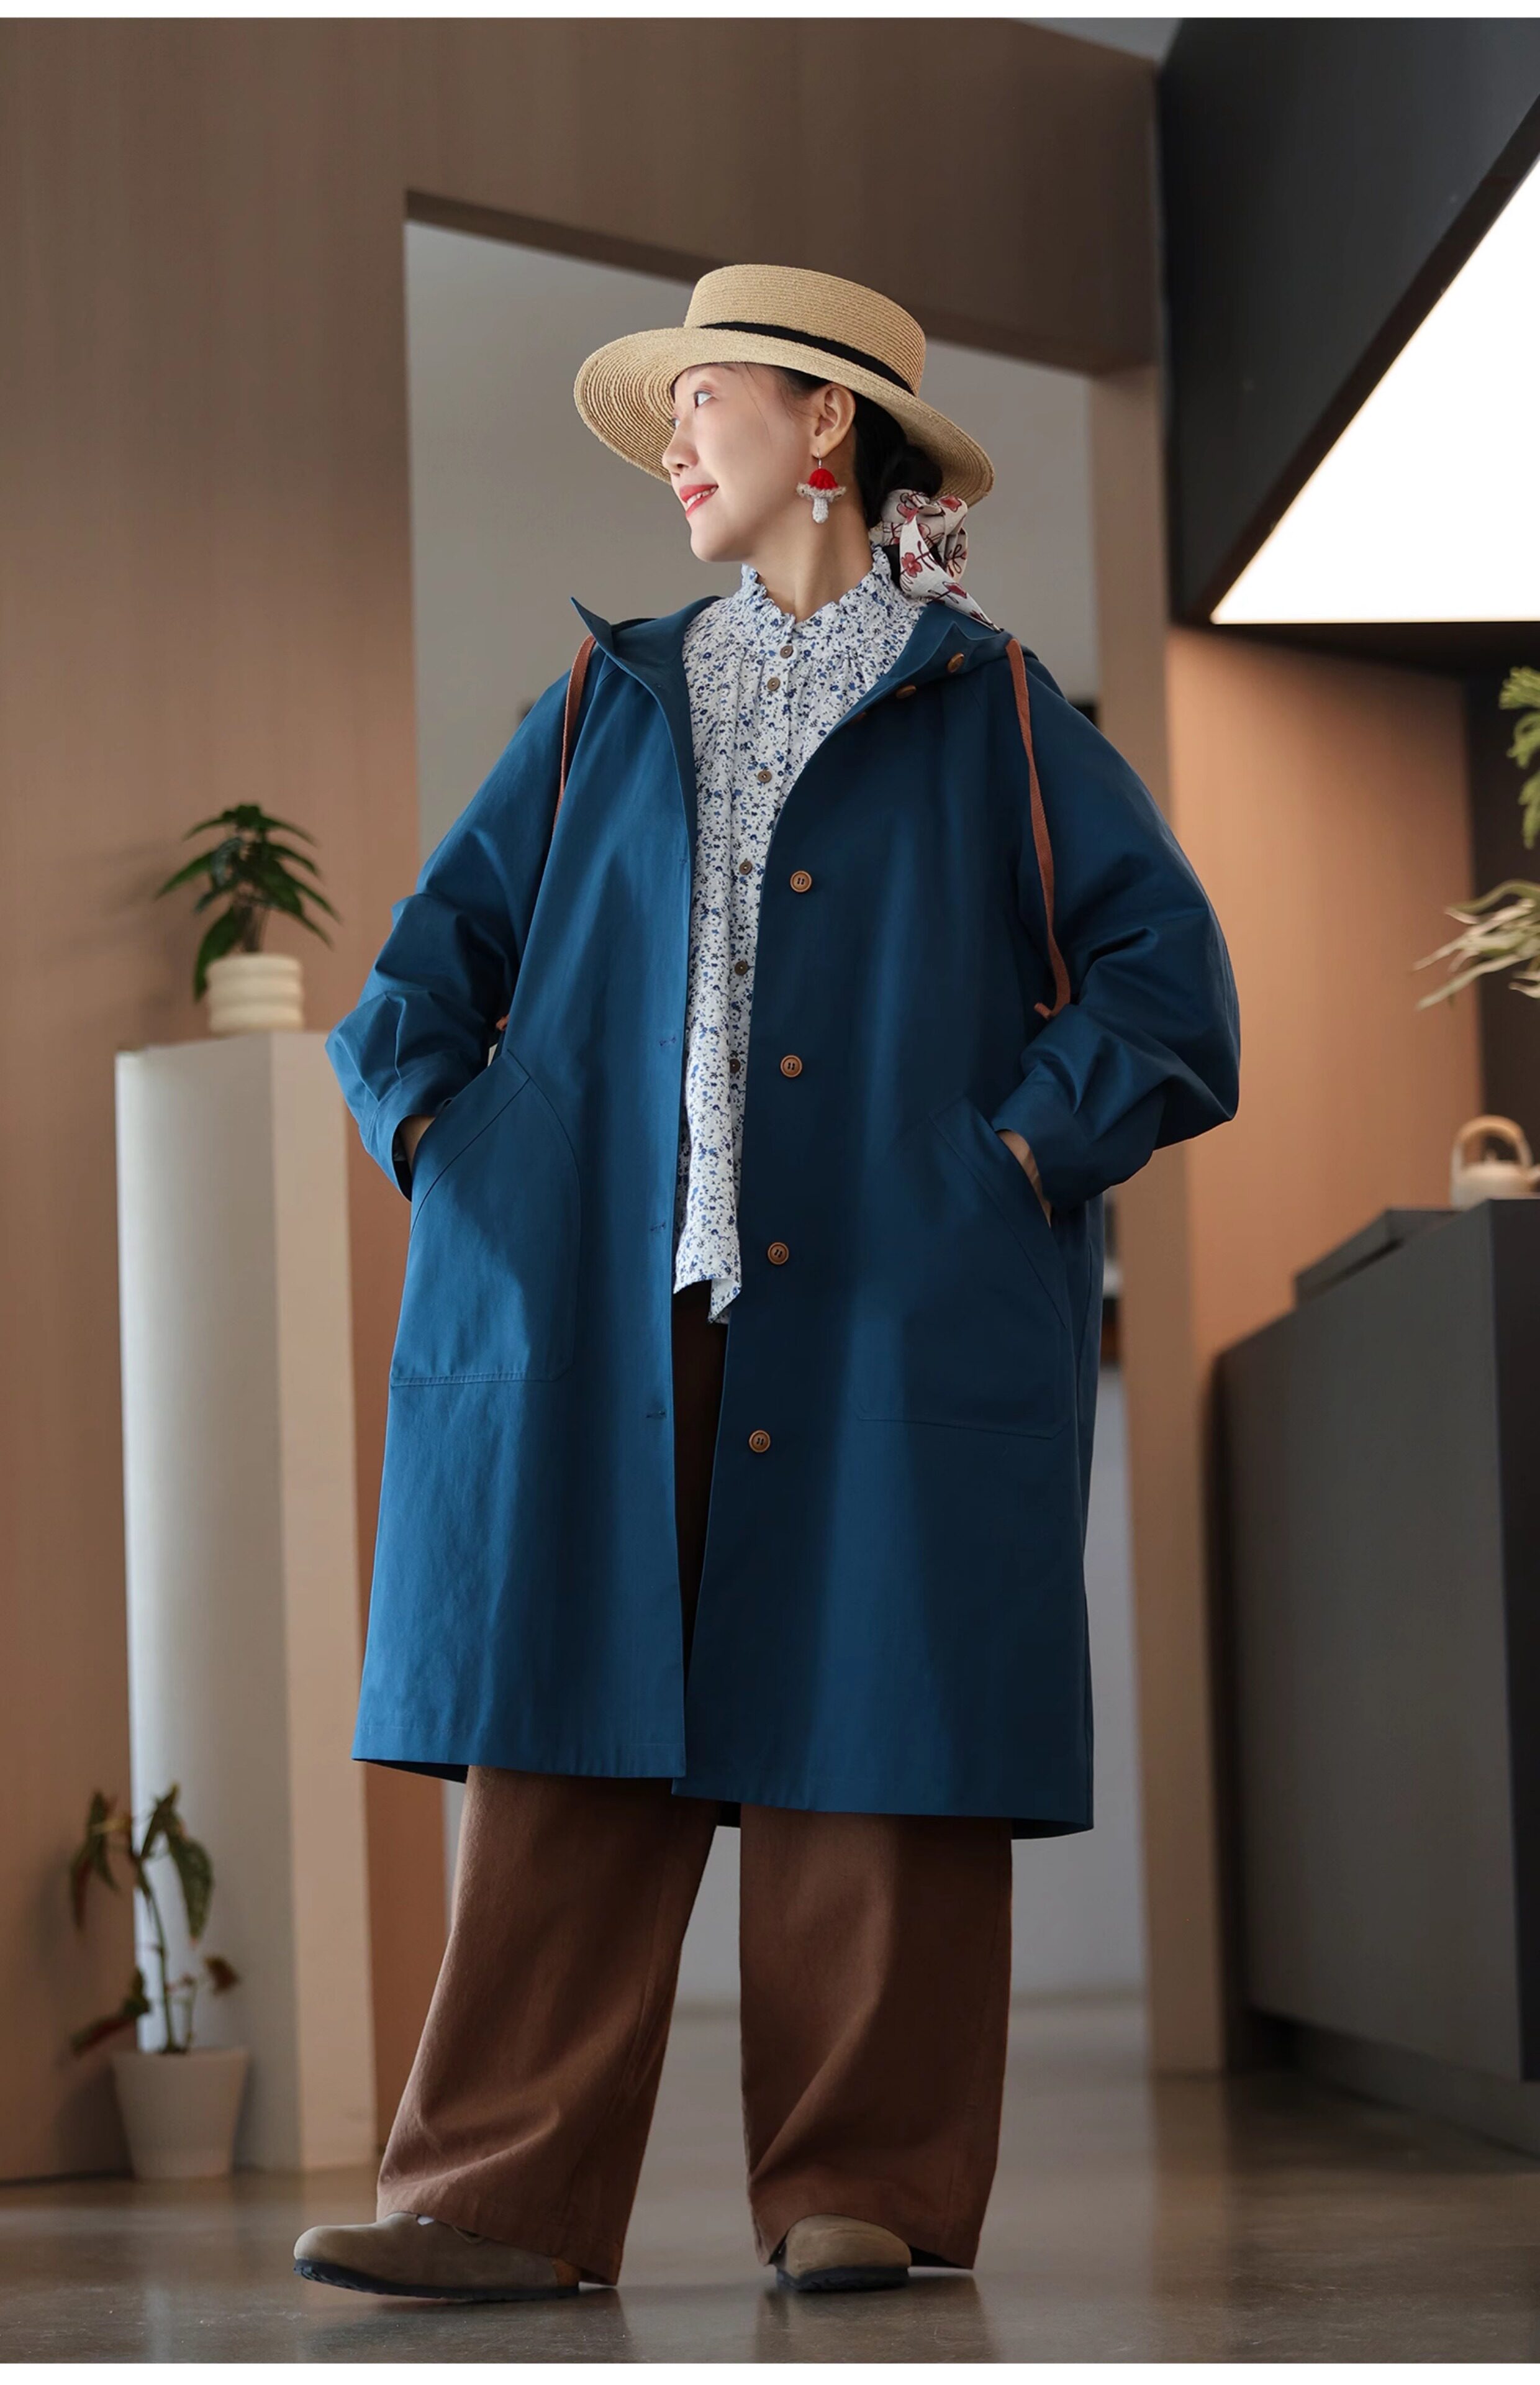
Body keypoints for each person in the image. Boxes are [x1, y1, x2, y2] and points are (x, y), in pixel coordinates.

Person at [294, 264, 1241, 2305]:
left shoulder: (993, 706)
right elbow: (416, 986)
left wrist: (1004, 1161)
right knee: (566, 1738)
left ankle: (863, 2183)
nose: (672, 441)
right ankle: (493, 2195)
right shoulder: (605, 701)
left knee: (877, 1715)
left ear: (825, 425)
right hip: (614, 1306)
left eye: (702, 397)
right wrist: (464, 1151)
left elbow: (1169, 989)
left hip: (893, 1303)